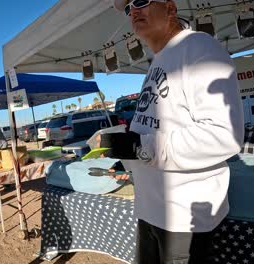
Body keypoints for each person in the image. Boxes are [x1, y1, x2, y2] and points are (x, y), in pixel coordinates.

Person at [105, 1, 244, 263]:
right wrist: (127, 158)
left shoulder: (199, 47)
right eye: (127, 8)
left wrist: (140, 148)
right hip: (150, 210)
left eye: (141, 1)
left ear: (170, 8)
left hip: (183, 219)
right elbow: (153, 128)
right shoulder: (158, 61)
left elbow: (223, 135)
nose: (133, 10)